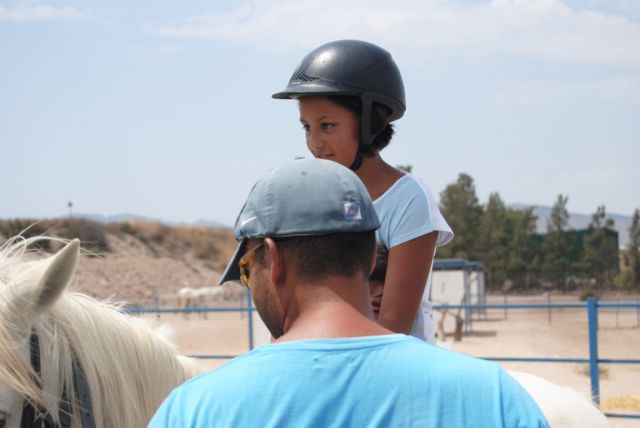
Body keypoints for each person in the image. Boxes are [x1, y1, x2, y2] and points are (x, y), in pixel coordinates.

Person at [149, 158, 548, 427]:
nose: (252, 286)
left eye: (247, 270)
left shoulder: (195, 410)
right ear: (369, 257)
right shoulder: (495, 398)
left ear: (274, 259)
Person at [272, 39, 453, 343]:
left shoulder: (407, 200)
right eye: (306, 127)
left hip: (395, 369)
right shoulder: (313, 199)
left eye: (327, 125)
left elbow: (394, 324)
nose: (314, 142)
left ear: (370, 123)